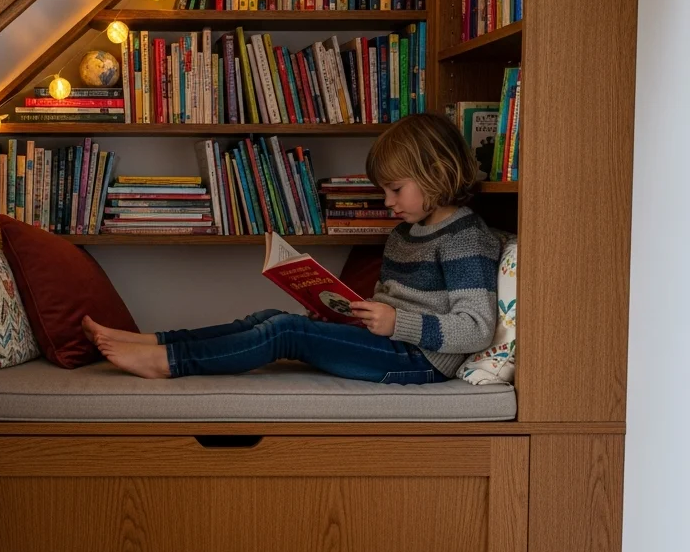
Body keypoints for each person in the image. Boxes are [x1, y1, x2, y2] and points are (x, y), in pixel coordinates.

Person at [84, 113, 501, 383]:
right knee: (267, 317)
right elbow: (388, 305)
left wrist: (396, 324)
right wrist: (343, 312)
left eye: (395, 190)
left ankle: (168, 364)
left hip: (420, 360)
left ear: (437, 172)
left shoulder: (465, 237)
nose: (389, 203)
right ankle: (156, 342)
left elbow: (476, 327)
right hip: (393, 342)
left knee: (286, 332)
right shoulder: (403, 235)